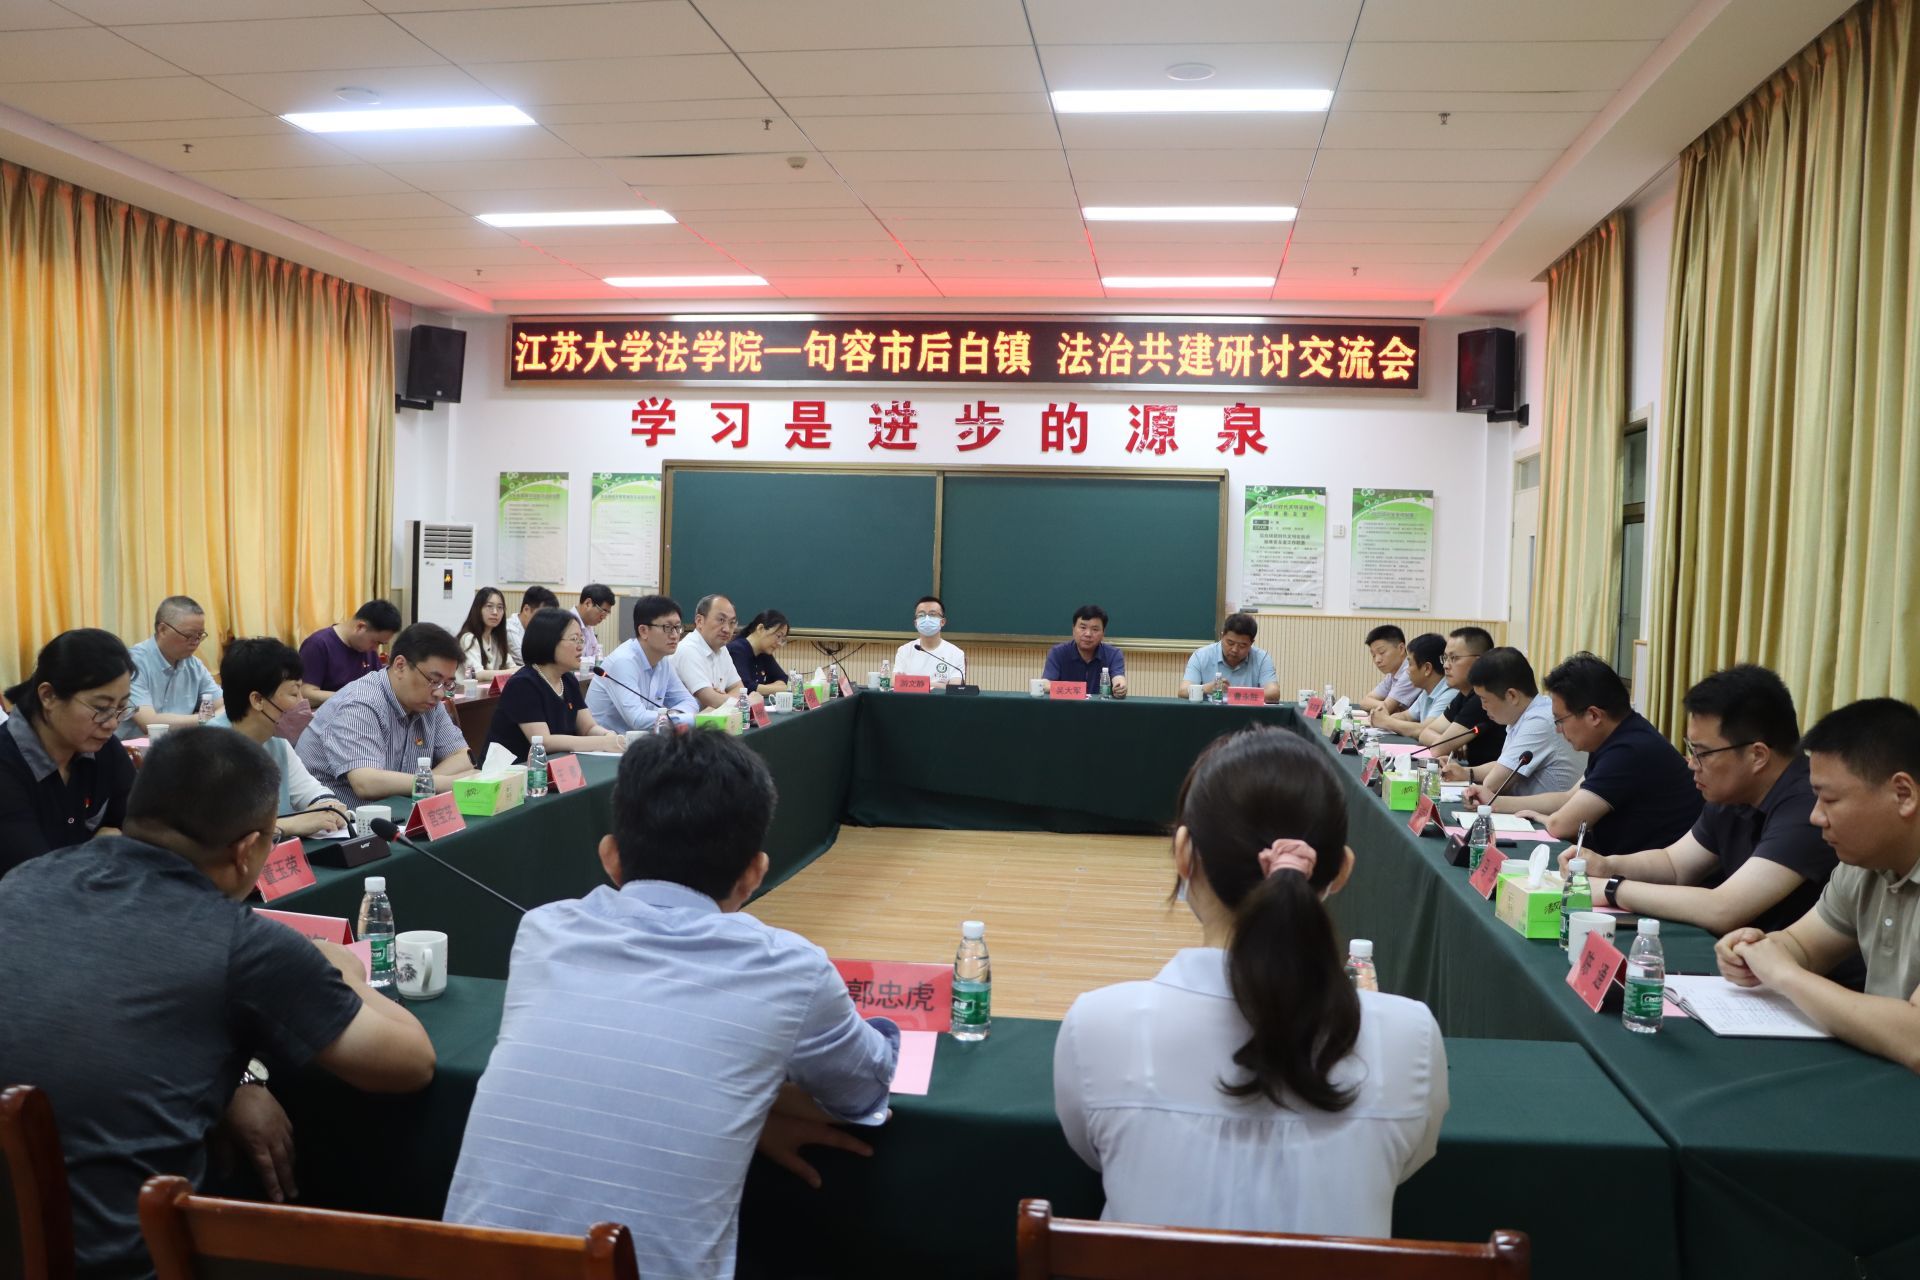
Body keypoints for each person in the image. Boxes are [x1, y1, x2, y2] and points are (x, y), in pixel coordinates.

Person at [442, 729, 899, 1276]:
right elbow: (863, 1090)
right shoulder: (791, 969)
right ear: (754, 874)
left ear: (610, 857)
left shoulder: (543, 932)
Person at [0, 728, 435, 1280]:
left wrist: (237, 1081)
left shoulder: (23, 882)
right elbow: (409, 1063)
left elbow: (99, 1018)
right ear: (247, 849)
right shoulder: (242, 943)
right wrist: (344, 974)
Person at [1055, 726, 1445, 1236]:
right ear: (1342, 870)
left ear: (1183, 853)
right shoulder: (1411, 1037)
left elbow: (1091, 1151)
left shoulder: (1097, 1026)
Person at [1567, 666, 1854, 944]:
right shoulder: (1733, 791)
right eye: (1691, 749)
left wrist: (1613, 888)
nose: (1691, 764)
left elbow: (1724, 908)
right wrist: (1606, 865)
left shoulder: (1809, 806)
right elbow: (1674, 865)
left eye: (1702, 753)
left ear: (1757, 755)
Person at [1716, 698, 1920, 1073]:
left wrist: (1784, 974)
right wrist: (1755, 951)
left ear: (1903, 795)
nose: (1815, 817)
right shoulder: (1863, 865)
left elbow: (1915, 1038)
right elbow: (1801, 947)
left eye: (1830, 799)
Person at [1504, 653, 1702, 852]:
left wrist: (1545, 819)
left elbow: (1562, 826)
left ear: (1594, 715)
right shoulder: (1618, 735)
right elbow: (1569, 798)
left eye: (1560, 720)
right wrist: (1496, 804)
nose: (1558, 729)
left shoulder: (1629, 750)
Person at [0, 629, 137, 877]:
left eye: (122, 707)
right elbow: (36, 876)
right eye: (101, 708)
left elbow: (144, 827)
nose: (112, 723)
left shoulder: (103, 747)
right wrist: (103, 846)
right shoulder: (7, 765)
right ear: (48, 696)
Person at [295, 622, 477, 804]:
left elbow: (463, 756)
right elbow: (366, 782)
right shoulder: (360, 702)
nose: (440, 693)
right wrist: (442, 783)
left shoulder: (429, 704)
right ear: (400, 666)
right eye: (434, 680)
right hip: (335, 816)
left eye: (448, 684)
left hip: (392, 811)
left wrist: (424, 784)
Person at [205, 638, 350, 841]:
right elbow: (219, 830)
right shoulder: (207, 749)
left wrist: (328, 807)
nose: (303, 703)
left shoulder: (276, 740)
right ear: (257, 700)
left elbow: (311, 791)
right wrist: (289, 825)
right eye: (294, 693)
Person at [486, 608, 625, 761]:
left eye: (581, 640)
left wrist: (608, 735)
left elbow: (588, 728)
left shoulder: (568, 680)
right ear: (549, 641)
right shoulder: (523, 684)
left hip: (558, 766)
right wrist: (602, 743)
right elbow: (543, 741)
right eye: (574, 639)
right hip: (514, 770)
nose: (580, 647)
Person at [1446, 646, 1581, 799]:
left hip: (1546, 813)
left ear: (1511, 696)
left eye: (1484, 699)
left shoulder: (1539, 721)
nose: (1483, 707)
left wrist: (1470, 776)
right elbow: (1505, 764)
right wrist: (1465, 772)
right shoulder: (1524, 715)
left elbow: (1493, 784)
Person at [587, 594, 699, 734]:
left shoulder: (662, 659)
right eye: (668, 627)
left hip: (642, 739)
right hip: (606, 742)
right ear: (643, 631)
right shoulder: (623, 662)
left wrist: (672, 715)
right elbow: (637, 719)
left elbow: (690, 702)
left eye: (677, 627)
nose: (675, 635)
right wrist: (678, 717)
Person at [121, 595, 222, 738]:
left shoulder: (194, 665)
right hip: (132, 749)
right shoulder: (133, 663)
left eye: (200, 635)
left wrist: (211, 717)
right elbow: (150, 723)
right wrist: (205, 719)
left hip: (177, 747)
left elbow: (224, 706)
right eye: (189, 635)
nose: (196, 642)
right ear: (162, 630)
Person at [1420, 626, 1506, 768]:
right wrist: (1449, 742)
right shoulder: (1463, 694)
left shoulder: (1482, 698)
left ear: (1479, 661)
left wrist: (1445, 743)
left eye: (1454, 658)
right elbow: (1425, 733)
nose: (1446, 665)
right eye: (1445, 658)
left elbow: (1437, 749)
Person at [298, 600, 402, 705]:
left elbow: (379, 687)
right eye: (376, 642)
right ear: (360, 627)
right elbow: (305, 693)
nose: (376, 649)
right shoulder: (318, 644)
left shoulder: (369, 650)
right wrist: (353, 696)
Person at [674, 593, 751, 709]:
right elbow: (711, 700)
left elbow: (738, 688)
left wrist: (723, 698)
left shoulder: (722, 648)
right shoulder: (688, 650)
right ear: (699, 621)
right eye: (721, 620)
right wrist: (744, 701)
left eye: (732, 623)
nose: (727, 629)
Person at [1180, 613, 1280, 702]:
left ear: (1251, 643)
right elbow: (1183, 691)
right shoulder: (1201, 656)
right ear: (1222, 636)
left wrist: (1236, 694)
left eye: (1242, 645)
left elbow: (1274, 693)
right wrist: (1206, 688)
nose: (1235, 650)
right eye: (1230, 643)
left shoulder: (1261, 658)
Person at [1368, 633, 1453, 735]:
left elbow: (1426, 730)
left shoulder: (1449, 693)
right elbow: (1406, 716)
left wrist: (1386, 722)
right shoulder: (1427, 691)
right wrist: (1385, 717)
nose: (1407, 671)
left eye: (1410, 664)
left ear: (1427, 668)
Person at [1043, 605, 1127, 698]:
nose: (1088, 634)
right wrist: (1078, 690)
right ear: (1073, 629)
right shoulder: (1057, 653)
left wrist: (1120, 688)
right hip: (1067, 706)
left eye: (1095, 629)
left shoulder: (1113, 654)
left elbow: (1119, 680)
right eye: (1083, 627)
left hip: (1100, 707)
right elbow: (1046, 684)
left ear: (1103, 633)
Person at [894, 595, 966, 686]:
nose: (927, 619)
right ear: (916, 623)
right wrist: (939, 685)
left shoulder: (956, 653)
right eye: (921, 615)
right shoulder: (904, 650)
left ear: (942, 622)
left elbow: (953, 688)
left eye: (932, 614)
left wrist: (910, 683)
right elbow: (895, 683)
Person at [455, 586, 518, 682]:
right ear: (478, 609)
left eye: (500, 607)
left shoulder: (496, 639)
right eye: (489, 606)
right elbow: (476, 674)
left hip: (485, 691)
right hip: (464, 690)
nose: (495, 612)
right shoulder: (468, 638)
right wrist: (513, 672)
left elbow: (512, 666)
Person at [728, 609, 792, 695]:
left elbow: (784, 679)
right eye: (778, 636)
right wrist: (781, 688)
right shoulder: (737, 650)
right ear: (760, 628)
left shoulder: (764, 652)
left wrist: (762, 688)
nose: (779, 643)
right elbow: (745, 688)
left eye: (782, 639)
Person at [1354, 625, 1416, 713]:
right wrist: (1388, 706)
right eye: (1373, 655)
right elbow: (1364, 702)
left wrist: (1387, 706)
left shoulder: (1410, 672)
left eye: (1382, 652)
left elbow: (1387, 708)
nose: (1377, 660)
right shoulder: (1392, 675)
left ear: (1401, 649)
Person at [506, 585, 559, 666]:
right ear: (526, 609)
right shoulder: (509, 628)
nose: (547, 621)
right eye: (543, 615)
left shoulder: (540, 629)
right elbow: (526, 659)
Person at [572, 584, 615, 673]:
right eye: (603, 611)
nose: (604, 617)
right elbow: (572, 661)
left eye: (607, 613)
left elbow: (597, 656)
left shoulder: (588, 625)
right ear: (588, 603)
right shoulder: (567, 624)